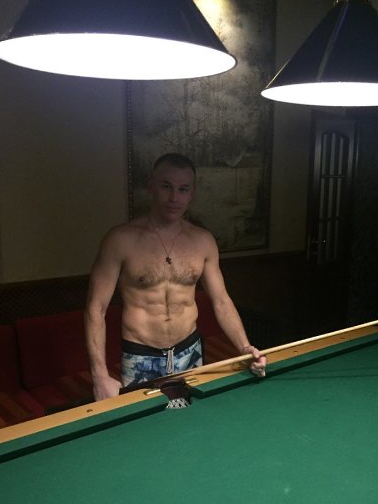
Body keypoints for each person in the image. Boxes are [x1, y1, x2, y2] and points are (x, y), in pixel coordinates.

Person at [85, 153, 266, 400]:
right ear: (151, 187)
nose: (174, 198)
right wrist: (99, 376)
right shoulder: (120, 240)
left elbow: (221, 301)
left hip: (190, 352)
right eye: (166, 186)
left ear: (192, 193)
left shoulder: (203, 241)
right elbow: (96, 308)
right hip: (140, 357)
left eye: (183, 189)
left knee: (192, 419)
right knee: (143, 423)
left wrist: (245, 348)